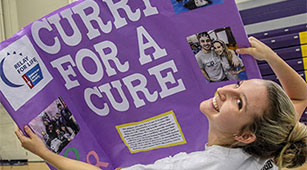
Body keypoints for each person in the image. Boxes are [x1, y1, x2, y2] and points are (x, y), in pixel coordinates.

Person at [15, 37, 307, 170]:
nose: (225, 91)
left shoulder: (203, 165)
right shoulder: (267, 142)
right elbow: (300, 97)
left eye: (238, 102)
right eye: (238, 84)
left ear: (244, 135)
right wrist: (269, 57)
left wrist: (44, 152)